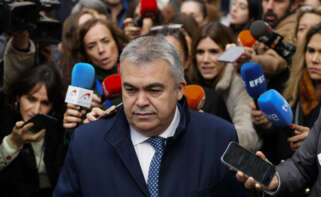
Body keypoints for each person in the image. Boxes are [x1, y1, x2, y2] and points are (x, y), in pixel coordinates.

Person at [53, 35, 249, 196]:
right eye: (130, 90)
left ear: (180, 89)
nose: (140, 102)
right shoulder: (87, 142)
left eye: (154, 90)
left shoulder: (219, 137)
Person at [188, 22, 261, 152]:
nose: (205, 59)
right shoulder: (190, 81)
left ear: (228, 53)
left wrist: (211, 130)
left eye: (214, 51)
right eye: (200, 52)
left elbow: (250, 138)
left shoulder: (238, 82)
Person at [0, 63, 66, 197]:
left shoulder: (57, 126)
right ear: (19, 96)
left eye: (45, 103)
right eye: (31, 99)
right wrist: (12, 143)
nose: (36, 110)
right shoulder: (3, 120)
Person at [62, 17, 128, 130]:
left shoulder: (137, 70)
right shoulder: (83, 83)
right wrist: (74, 122)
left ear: (116, 42)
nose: (101, 50)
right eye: (91, 46)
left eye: (105, 41)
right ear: (85, 53)